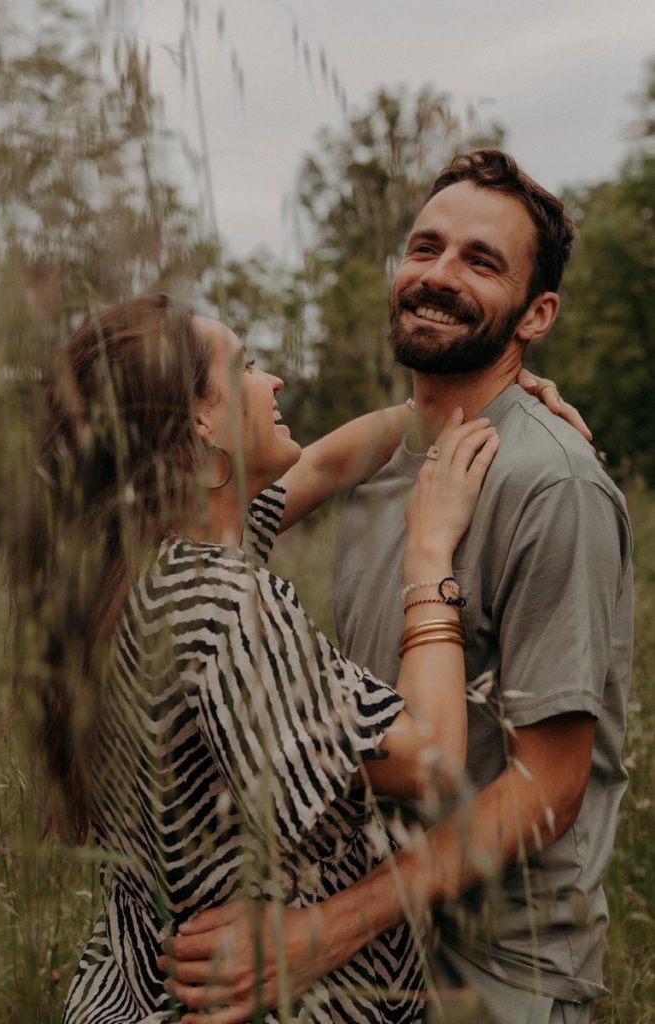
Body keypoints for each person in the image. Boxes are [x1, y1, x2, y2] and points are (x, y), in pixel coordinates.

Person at [12, 291, 576, 1023]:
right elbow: (429, 757)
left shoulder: (142, 568)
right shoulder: (218, 605)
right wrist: (429, 554)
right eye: (244, 367)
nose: (272, 381)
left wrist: (474, 402)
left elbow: (327, 463)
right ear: (198, 420)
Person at [164, 151, 633, 1024]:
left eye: (480, 261)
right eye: (425, 247)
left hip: (490, 970)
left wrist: (321, 931)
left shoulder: (550, 484)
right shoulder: (380, 462)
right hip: (367, 958)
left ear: (537, 313)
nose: (438, 276)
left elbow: (552, 785)